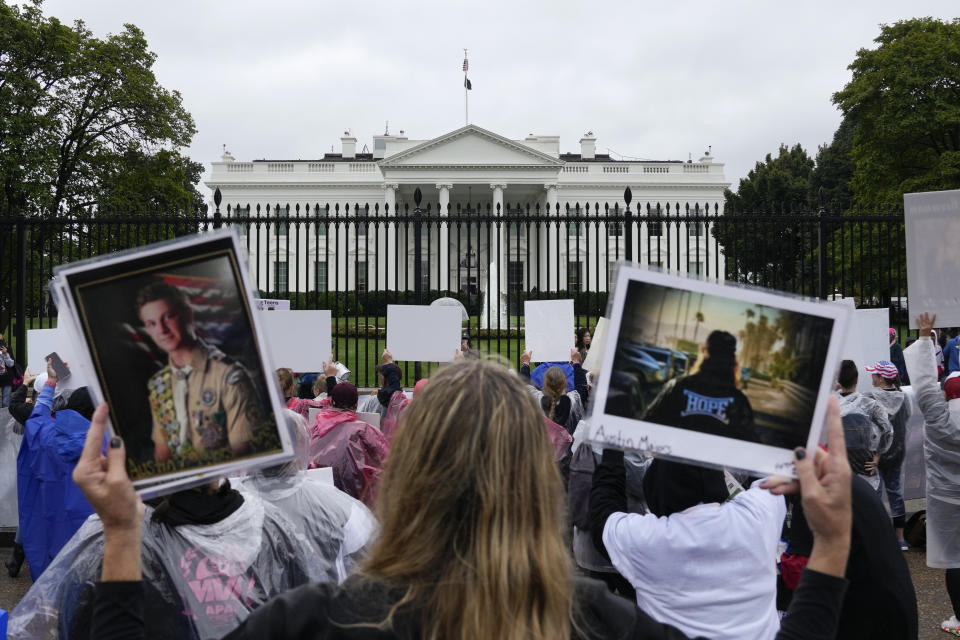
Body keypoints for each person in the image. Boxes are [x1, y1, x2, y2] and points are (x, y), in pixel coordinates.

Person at [76, 359, 853, 640]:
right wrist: (830, 545)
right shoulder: (601, 625)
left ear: (407, 471)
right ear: (534, 480)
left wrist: (121, 534)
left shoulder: (316, 621)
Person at [590, 453, 786, 639]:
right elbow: (775, 473)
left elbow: (603, 511)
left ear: (657, 487)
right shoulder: (755, 516)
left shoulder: (650, 540)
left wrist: (612, 452)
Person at [136, 281, 262, 464]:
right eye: (152, 323)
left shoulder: (229, 376)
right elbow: (162, 453)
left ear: (187, 315)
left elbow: (243, 453)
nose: (161, 330)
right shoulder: (159, 383)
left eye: (168, 317)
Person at [903, 312, 960, 636]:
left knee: (955, 559)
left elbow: (924, 383)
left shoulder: (937, 414)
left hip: (945, 498)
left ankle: (959, 618)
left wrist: (925, 335)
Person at [16, 358, 95, 580]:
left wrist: (51, 381)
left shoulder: (46, 436)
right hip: (91, 542)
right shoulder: (108, 446)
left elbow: (37, 417)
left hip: (50, 536)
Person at [642, 330, 759, 443]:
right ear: (733, 361)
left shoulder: (678, 386)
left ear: (703, 352)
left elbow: (647, 423)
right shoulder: (738, 401)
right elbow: (749, 444)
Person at [310, 381, 389, 507]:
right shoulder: (365, 430)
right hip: (356, 505)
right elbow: (389, 461)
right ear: (357, 404)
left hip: (318, 502)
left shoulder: (312, 429)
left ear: (331, 402)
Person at [864, 360, 912, 550]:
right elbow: (905, 420)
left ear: (881, 378)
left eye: (874, 374)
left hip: (875, 455)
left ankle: (876, 536)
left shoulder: (871, 398)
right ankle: (900, 539)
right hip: (896, 453)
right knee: (895, 494)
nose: (872, 377)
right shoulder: (903, 397)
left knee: (873, 496)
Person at [835, 360, 893, 490]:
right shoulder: (870, 405)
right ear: (857, 380)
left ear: (838, 381)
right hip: (866, 473)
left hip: (838, 473)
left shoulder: (829, 406)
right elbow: (888, 431)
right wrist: (877, 457)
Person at [521, 348, 587, 435]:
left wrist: (525, 363)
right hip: (568, 447)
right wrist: (576, 362)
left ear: (544, 384)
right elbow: (581, 385)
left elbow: (523, 385)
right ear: (565, 383)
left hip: (543, 447)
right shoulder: (574, 401)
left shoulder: (536, 400)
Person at [0, 334, 16, 407]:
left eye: (1, 340)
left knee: (6, 402)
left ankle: (5, 417)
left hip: (6, 378)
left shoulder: (8, 349)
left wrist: (5, 354)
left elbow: (11, 364)